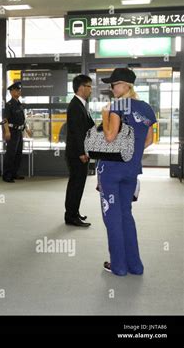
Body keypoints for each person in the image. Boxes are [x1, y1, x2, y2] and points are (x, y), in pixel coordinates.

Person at [98, 68, 156, 276]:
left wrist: (105, 117)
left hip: (111, 169)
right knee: (126, 215)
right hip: (132, 170)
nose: (111, 89)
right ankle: (135, 265)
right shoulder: (146, 108)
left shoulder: (117, 106)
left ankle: (119, 266)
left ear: (124, 85)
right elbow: (149, 140)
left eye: (113, 85)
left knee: (112, 217)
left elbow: (110, 137)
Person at [64, 75, 95, 227]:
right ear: (81, 87)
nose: (91, 89)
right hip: (77, 154)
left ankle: (74, 212)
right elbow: (77, 132)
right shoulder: (75, 106)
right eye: (89, 86)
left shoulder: (80, 104)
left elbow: (89, 127)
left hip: (80, 152)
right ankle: (70, 216)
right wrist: (82, 152)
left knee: (78, 184)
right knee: (75, 184)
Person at [2, 81, 26, 183]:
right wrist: (7, 131)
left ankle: (14, 173)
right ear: (11, 92)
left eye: (19, 90)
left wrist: (26, 128)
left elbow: (22, 118)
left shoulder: (19, 104)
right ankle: (7, 175)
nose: (19, 92)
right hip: (12, 131)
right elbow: (5, 119)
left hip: (19, 131)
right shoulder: (9, 104)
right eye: (16, 90)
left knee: (18, 154)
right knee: (10, 154)